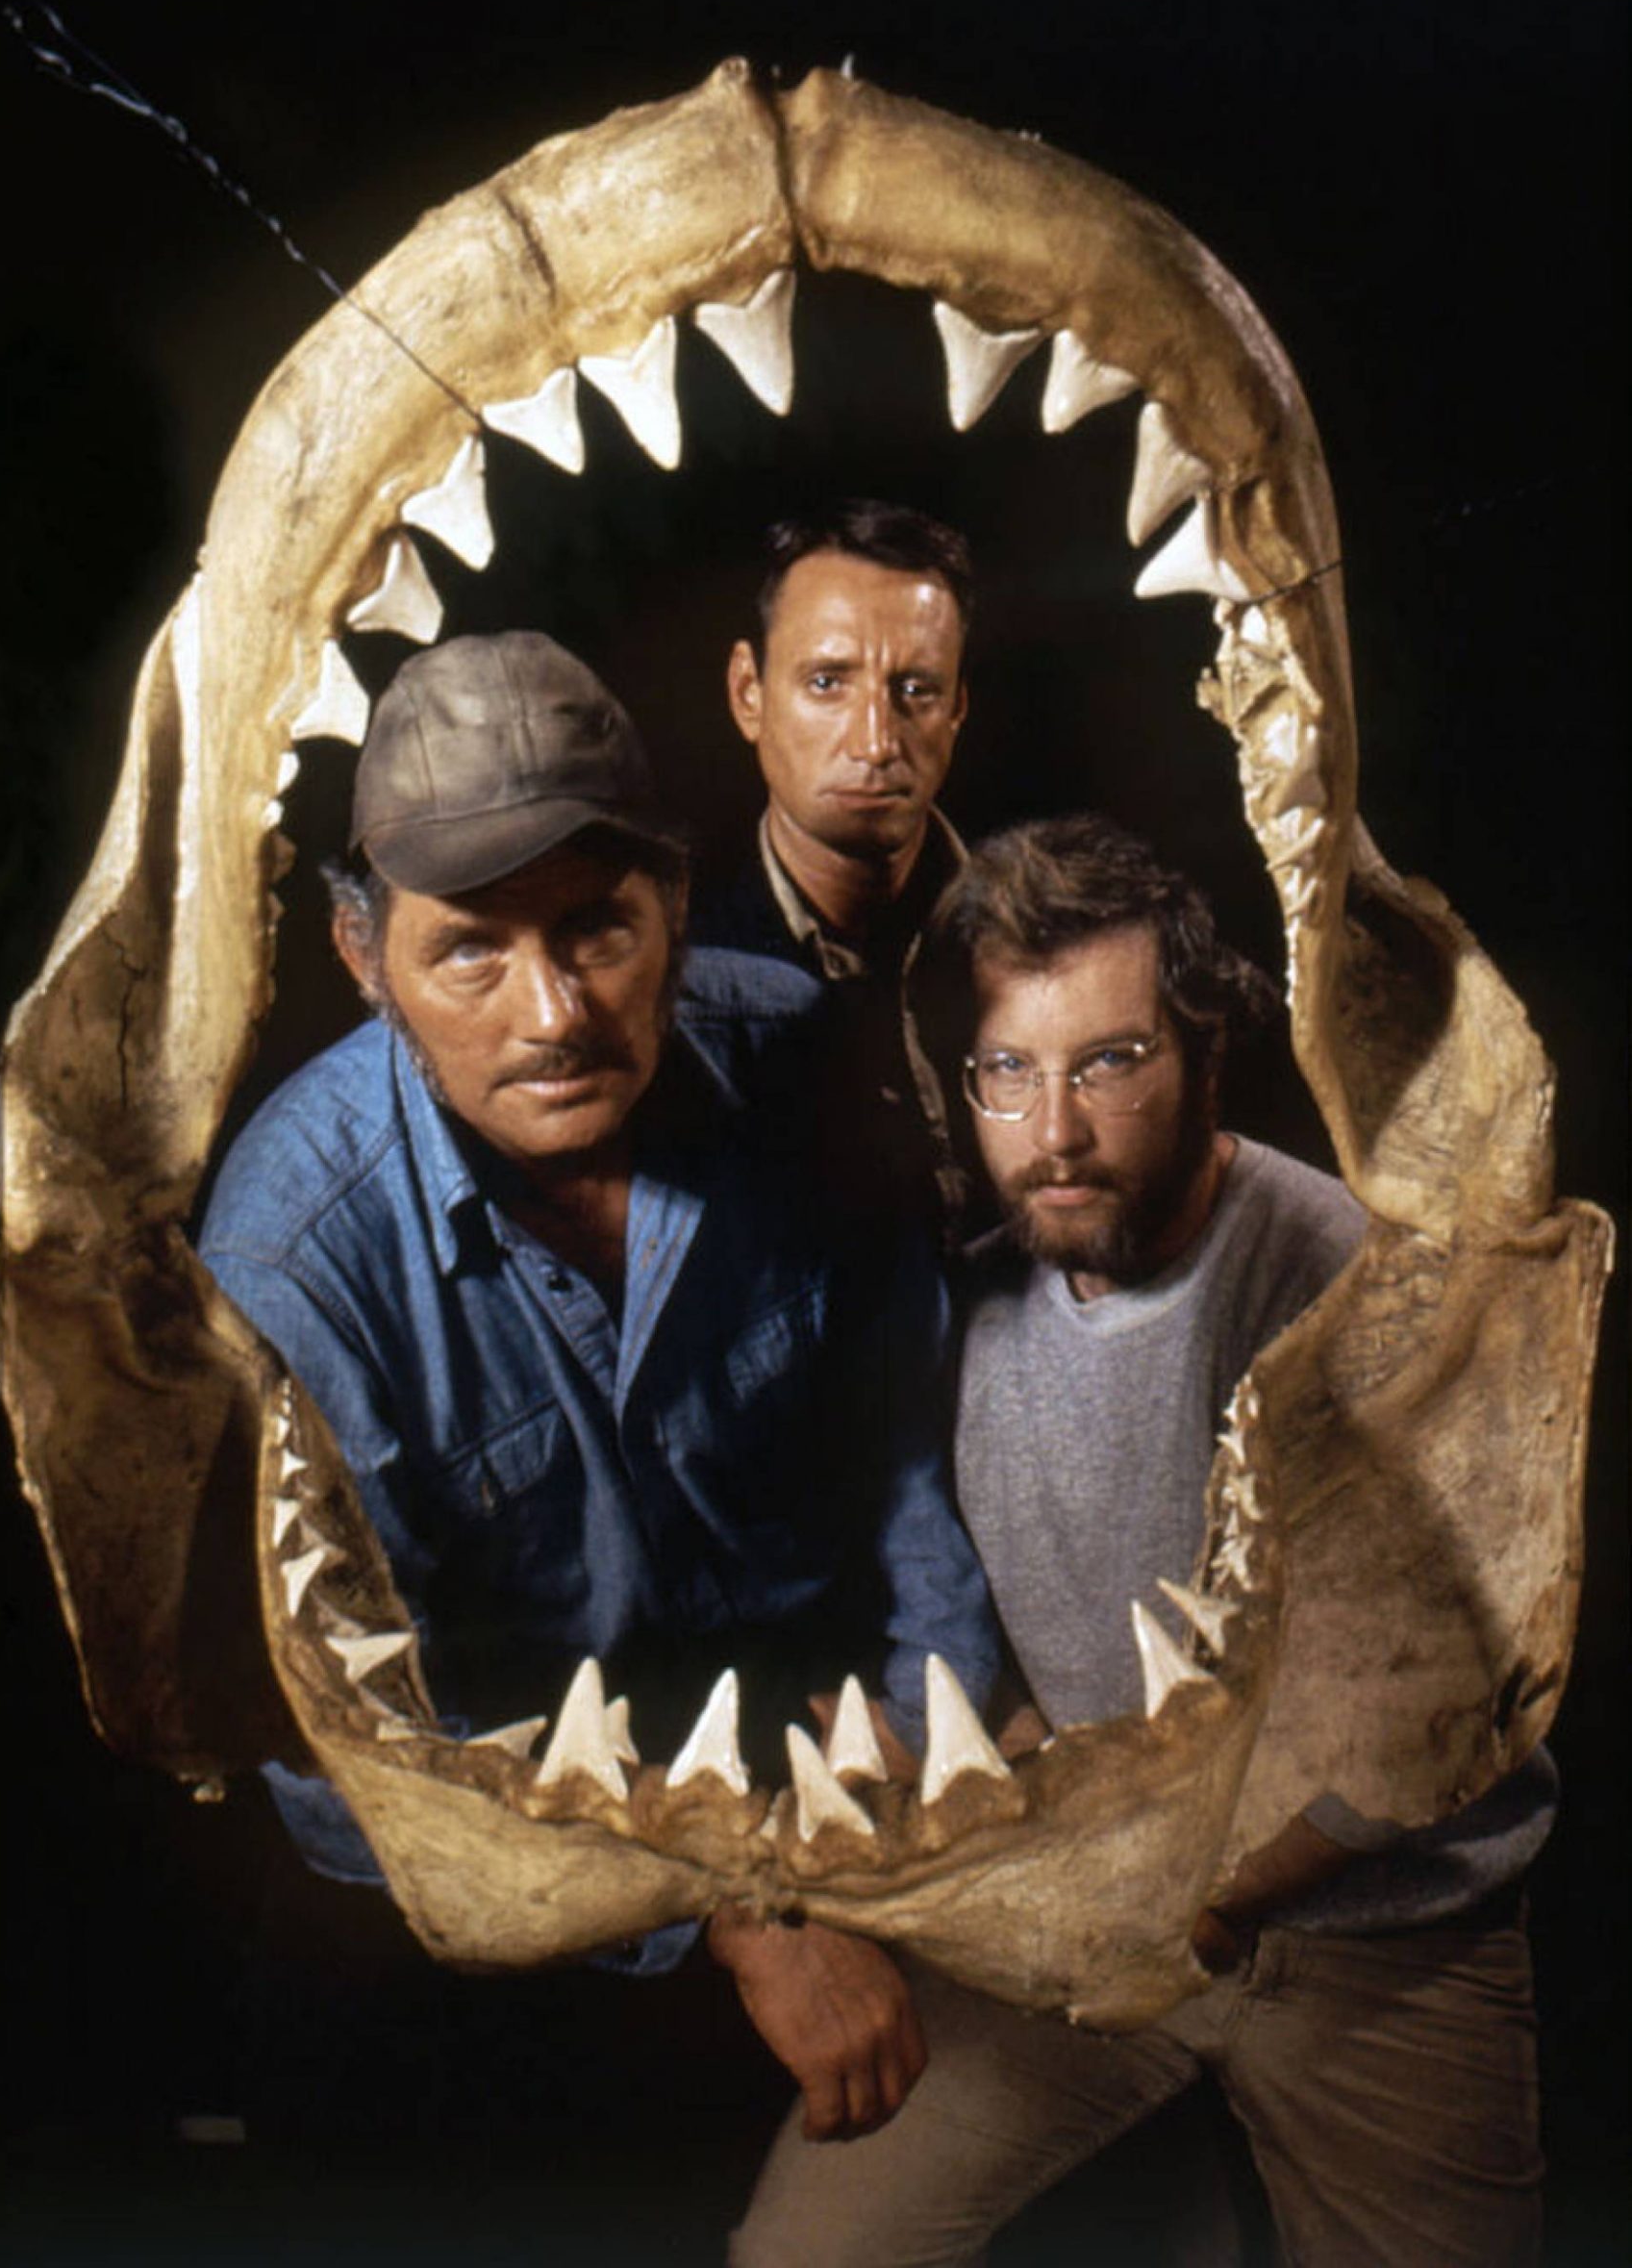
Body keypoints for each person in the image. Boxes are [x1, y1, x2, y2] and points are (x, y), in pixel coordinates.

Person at [198, 629, 1000, 2142]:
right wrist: (729, 1911)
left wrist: (917, 1746)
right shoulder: (294, 1255)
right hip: (491, 1867)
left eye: (595, 933)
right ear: (366, 961)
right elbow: (350, 1756)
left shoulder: (798, 1061)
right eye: (469, 953)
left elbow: (918, 1468)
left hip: (818, 1767)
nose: (554, 1014)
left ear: (676, 908)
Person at [733, 815, 1554, 2265]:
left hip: (1378, 1933)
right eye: (1008, 1071)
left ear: (1205, 1056)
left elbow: (1427, 1713)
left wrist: (1182, 1901)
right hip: (1095, 1899)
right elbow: (987, 1648)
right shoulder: (968, 1306)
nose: (1052, 1131)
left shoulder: (1351, 1293)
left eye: (1109, 1062)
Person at [692, 499, 974, 1233]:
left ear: (957, 709)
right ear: (748, 694)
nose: (876, 742)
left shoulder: (1046, 938)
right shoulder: (674, 975)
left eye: (916, 690)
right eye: (827, 683)